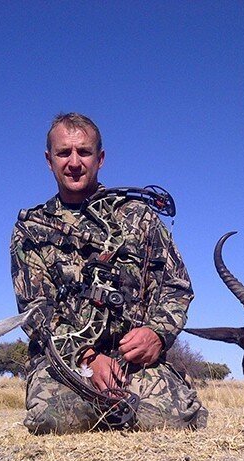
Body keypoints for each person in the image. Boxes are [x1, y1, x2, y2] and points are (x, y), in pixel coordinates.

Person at [10, 112, 207, 434]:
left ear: (99, 158)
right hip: (68, 362)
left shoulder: (140, 216)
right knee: (54, 421)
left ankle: (174, 392)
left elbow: (176, 286)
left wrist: (157, 334)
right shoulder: (31, 228)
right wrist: (87, 356)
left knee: (172, 422)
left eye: (84, 152)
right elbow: (35, 311)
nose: (74, 162)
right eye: (64, 153)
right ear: (49, 160)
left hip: (135, 359)